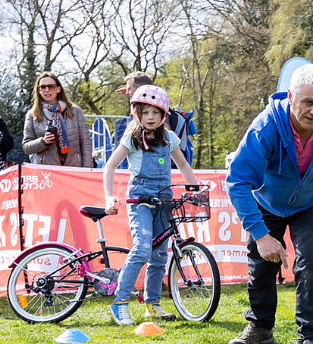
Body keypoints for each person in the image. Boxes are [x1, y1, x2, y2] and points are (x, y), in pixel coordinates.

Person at [226, 64, 313, 344]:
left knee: (310, 264)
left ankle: (309, 341)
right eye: (308, 102)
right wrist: (260, 234)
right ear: (290, 96)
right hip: (267, 202)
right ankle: (260, 327)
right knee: (261, 266)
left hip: (311, 203)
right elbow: (237, 181)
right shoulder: (265, 127)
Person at [102, 85, 202, 326]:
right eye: (145, 112)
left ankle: (152, 305)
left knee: (159, 255)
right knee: (142, 249)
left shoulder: (170, 138)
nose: (150, 117)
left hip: (164, 199)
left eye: (155, 113)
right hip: (140, 199)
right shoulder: (132, 139)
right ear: (137, 113)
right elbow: (110, 166)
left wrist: (195, 188)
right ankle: (120, 301)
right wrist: (108, 197)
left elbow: (183, 165)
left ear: (163, 115)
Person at [114, 72, 196, 166]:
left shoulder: (160, 119)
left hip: (165, 171)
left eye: (129, 89)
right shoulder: (158, 109)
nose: (127, 92)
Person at [23, 72, 93, 167]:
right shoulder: (32, 114)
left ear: (58, 89)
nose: (47, 90)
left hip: (74, 167)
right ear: (39, 90)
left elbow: (86, 143)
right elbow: (26, 147)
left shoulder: (75, 111)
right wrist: (43, 141)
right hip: (46, 171)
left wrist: (87, 170)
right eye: (43, 87)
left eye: (51, 86)